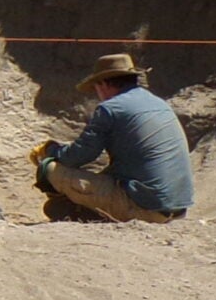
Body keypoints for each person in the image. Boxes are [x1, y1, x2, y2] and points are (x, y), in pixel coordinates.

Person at [34, 52, 195, 223]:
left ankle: (78, 207)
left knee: (49, 169)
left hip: (146, 208)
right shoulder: (158, 103)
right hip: (177, 209)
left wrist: (49, 151)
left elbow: (78, 156)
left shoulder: (110, 108)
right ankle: (81, 209)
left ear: (103, 84)